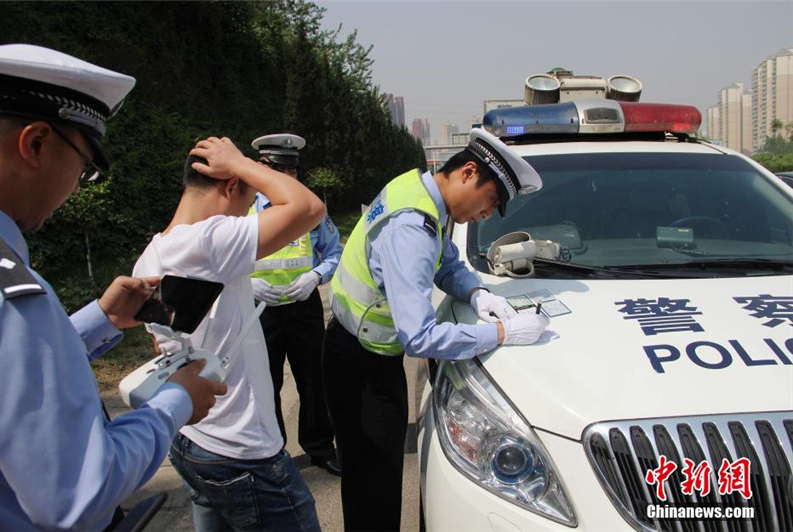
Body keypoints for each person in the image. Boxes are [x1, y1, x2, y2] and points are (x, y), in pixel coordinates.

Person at [0, 44, 226, 531]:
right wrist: (177, 401)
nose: (79, 184)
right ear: (36, 144)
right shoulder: (11, 297)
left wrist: (101, 319)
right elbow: (75, 492)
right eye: (84, 165)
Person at [322, 128, 551, 531]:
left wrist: (477, 293)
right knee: (374, 490)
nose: (486, 214)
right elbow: (420, 337)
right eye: (490, 200)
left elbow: (446, 263)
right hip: (362, 367)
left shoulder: (418, 192)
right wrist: (502, 333)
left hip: (362, 350)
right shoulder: (412, 226)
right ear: (468, 172)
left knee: (371, 483)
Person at [132, 136, 326, 531]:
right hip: (242, 450)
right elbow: (309, 208)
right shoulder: (210, 240)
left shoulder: (153, 253)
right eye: (249, 198)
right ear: (231, 185)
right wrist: (240, 162)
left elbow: (160, 342)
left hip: (191, 438)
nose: (250, 211)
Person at [249, 133, 342, 476]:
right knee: (265, 383)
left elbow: (334, 252)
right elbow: (217, 258)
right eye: (280, 169)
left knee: (314, 379)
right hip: (258, 310)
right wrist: (245, 284)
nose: (289, 177)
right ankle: (272, 453)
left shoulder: (310, 208)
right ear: (261, 168)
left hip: (303, 306)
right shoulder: (242, 209)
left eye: (293, 170)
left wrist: (316, 277)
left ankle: (320, 447)